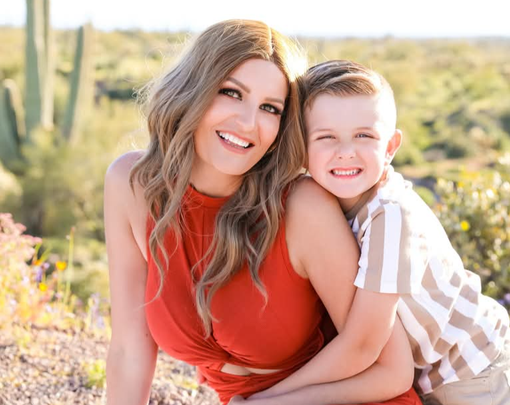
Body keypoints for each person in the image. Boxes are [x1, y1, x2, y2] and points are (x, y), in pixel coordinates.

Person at [103, 20, 421, 405]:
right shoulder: (132, 185)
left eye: (270, 108)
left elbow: (390, 370)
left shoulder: (301, 207)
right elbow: (129, 350)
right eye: (231, 93)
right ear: (193, 88)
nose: (248, 123)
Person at [239, 60, 510, 405]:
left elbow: (363, 345)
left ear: (390, 147)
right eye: (326, 137)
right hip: (425, 371)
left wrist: (270, 398)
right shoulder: (319, 204)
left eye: (364, 136)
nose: (346, 152)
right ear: (301, 148)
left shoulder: (390, 217)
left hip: (475, 368)